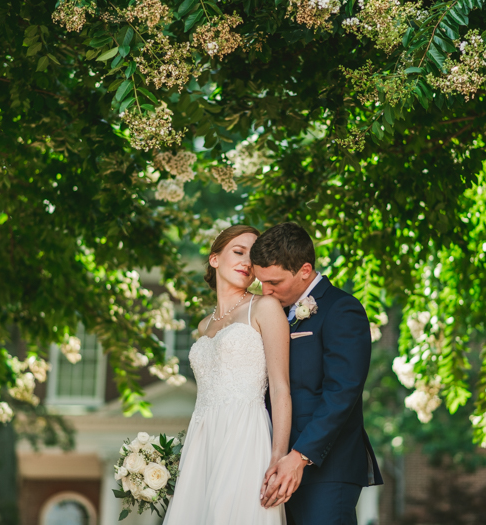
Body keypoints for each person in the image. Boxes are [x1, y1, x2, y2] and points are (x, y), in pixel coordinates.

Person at [251, 222, 384, 525]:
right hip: (271, 464)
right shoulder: (271, 311)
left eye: (274, 282)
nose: (265, 290)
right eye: (261, 282)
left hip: (325, 470)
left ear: (305, 270)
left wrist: (298, 458)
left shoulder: (341, 309)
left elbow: (342, 392)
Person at [162, 224, 291, 525]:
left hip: (245, 435)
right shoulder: (203, 326)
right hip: (203, 439)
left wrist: (278, 456)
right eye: (238, 251)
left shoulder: (264, 308)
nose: (247, 261)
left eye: (253, 255)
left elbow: (281, 388)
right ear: (214, 259)